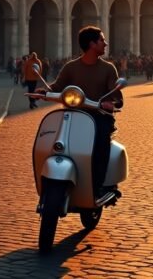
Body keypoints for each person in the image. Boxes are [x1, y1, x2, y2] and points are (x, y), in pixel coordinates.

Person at [41, 26, 123, 206]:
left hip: (100, 116)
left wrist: (112, 104)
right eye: (102, 40)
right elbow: (57, 86)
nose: (106, 43)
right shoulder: (71, 67)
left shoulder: (108, 69)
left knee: (101, 142)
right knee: (54, 139)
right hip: (75, 114)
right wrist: (44, 91)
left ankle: (100, 186)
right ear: (92, 44)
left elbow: (117, 97)